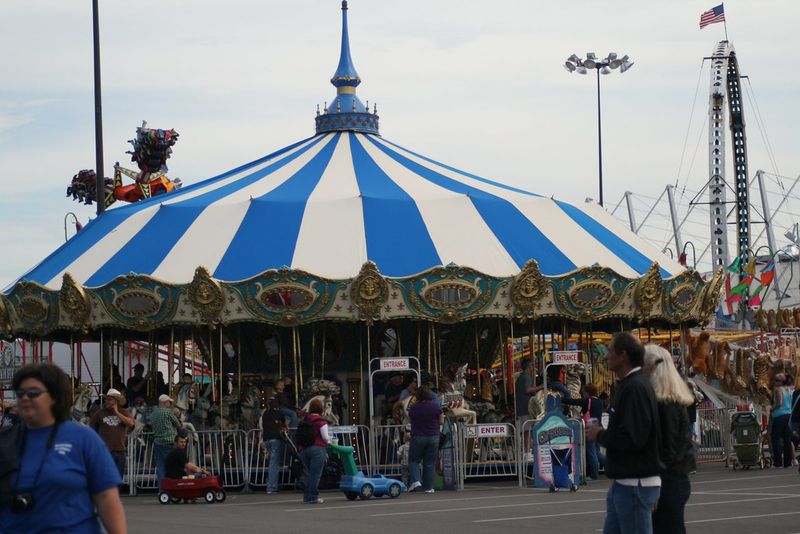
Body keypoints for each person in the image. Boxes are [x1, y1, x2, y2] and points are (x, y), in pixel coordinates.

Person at [0, 363, 126, 533]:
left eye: (33, 393)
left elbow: (106, 498)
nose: (24, 398)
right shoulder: (6, 440)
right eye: (20, 393)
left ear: (54, 397)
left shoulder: (83, 439)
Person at [586, 332, 662, 534]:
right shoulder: (630, 385)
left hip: (635, 484)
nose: (607, 356)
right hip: (624, 483)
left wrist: (600, 434)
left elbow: (633, 438)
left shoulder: (635, 388)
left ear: (624, 355)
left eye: (610, 351)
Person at [644, 345, 695, 534]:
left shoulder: (666, 404)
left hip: (669, 480)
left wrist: (655, 485)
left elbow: (667, 448)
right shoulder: (669, 401)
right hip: (673, 478)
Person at [90, 388, 135, 480]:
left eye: (110, 399)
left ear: (116, 401)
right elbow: (91, 429)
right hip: (105, 451)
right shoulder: (100, 413)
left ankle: (116, 494)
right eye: (106, 399)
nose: (107, 401)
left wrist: (117, 412)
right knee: (106, 477)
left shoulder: (124, 412)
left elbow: (131, 423)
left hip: (120, 450)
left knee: (118, 478)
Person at [562, 383, 604, 479]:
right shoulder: (599, 401)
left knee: (591, 451)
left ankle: (594, 474)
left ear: (587, 392)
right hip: (599, 426)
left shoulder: (587, 401)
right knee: (597, 452)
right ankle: (611, 465)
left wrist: (560, 399)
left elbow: (573, 401)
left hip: (590, 427)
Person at [407, 385, 444, 494]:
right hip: (434, 436)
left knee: (413, 460)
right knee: (430, 463)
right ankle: (428, 487)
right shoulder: (435, 406)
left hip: (418, 436)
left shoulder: (414, 407)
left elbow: (410, 420)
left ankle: (416, 481)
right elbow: (441, 421)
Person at [298, 398, 331, 504]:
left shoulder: (305, 420)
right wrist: (330, 442)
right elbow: (325, 437)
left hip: (304, 449)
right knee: (315, 474)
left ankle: (307, 496)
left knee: (308, 473)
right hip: (317, 449)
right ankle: (313, 496)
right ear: (321, 409)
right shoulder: (321, 421)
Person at [150, 394, 182, 486]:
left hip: (158, 442)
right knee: (173, 465)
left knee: (160, 467)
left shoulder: (153, 413)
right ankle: (173, 486)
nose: (170, 404)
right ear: (164, 403)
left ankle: (162, 488)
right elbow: (178, 425)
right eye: (169, 402)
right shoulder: (168, 412)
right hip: (170, 441)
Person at [261, 397, 287, 494]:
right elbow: (284, 424)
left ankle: (270, 482)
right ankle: (271, 487)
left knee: (271, 462)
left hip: (267, 439)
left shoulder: (265, 413)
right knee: (274, 464)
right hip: (275, 438)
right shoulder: (279, 413)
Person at [770, 373, 794, 468]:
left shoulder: (778, 389)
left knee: (775, 439)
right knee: (787, 439)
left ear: (780, 382)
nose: (774, 383)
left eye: (776, 381)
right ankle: (788, 463)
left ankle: (778, 462)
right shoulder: (789, 390)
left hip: (779, 415)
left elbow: (779, 403)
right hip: (788, 415)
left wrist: (772, 408)